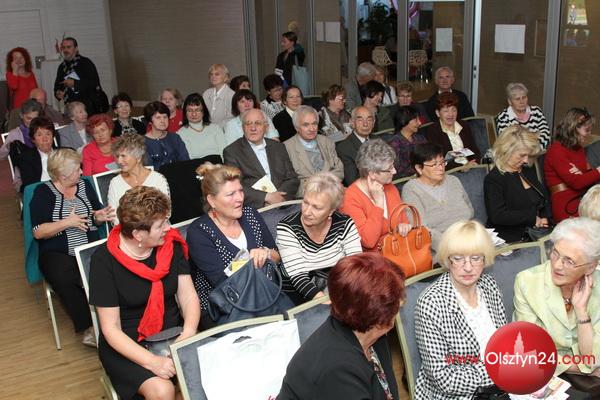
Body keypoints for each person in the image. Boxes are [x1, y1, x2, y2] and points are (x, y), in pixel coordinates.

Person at [89, 186, 199, 400]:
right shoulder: (104, 261)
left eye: (166, 220)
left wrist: (188, 333)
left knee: (214, 371)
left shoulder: (170, 245)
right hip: (128, 343)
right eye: (160, 225)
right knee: (162, 390)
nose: (168, 228)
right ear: (138, 234)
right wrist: (152, 362)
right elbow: (111, 329)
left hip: (173, 333)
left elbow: (188, 296)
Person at [278, 252, 404, 400]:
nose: (402, 301)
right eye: (397, 299)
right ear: (377, 316)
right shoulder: (338, 369)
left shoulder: (372, 336)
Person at [30, 148, 114, 347]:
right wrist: (67, 222)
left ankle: (115, 321)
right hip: (57, 251)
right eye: (77, 169)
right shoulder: (43, 193)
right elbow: (38, 232)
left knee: (109, 269)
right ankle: (89, 328)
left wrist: (99, 217)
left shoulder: (84, 185)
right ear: (62, 175)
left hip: (89, 246)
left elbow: (95, 215)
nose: (82, 172)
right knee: (65, 277)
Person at [414, 220, 506, 399]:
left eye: (476, 258)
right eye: (458, 258)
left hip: (498, 386)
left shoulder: (489, 286)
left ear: (485, 258)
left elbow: (504, 343)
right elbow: (443, 379)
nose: (468, 267)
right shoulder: (431, 303)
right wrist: (496, 370)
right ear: (448, 259)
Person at [514, 218, 600, 392]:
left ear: (590, 267)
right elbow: (529, 353)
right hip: (544, 374)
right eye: (555, 253)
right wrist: (581, 368)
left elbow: (593, 356)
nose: (557, 265)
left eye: (569, 261)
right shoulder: (527, 282)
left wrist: (581, 311)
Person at [186, 162, 281, 320]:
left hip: (268, 296)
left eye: (240, 191)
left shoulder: (250, 214)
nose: (239, 199)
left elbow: (277, 256)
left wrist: (266, 253)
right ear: (212, 201)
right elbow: (223, 283)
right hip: (225, 309)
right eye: (230, 194)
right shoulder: (199, 232)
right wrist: (250, 261)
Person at [277, 173, 362, 302]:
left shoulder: (345, 223)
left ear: (331, 210)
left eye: (317, 207)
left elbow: (356, 265)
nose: (307, 212)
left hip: (337, 289)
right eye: (305, 203)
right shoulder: (287, 227)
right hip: (301, 296)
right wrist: (330, 304)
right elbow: (298, 277)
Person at [339, 139, 411, 251]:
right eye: (389, 169)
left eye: (393, 166)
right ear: (372, 173)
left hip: (401, 250)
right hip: (374, 259)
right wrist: (378, 205)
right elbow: (368, 241)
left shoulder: (390, 187)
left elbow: (403, 220)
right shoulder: (350, 198)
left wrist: (404, 226)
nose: (394, 171)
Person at [484, 125, 550, 243]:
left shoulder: (527, 170)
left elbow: (542, 200)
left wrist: (544, 219)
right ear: (507, 150)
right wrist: (532, 218)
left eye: (528, 155)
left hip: (535, 233)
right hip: (511, 239)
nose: (526, 160)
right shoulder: (494, 179)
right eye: (522, 155)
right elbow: (498, 216)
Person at [402, 143, 474, 251]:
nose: (441, 168)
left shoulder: (453, 181)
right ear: (419, 168)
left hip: (469, 239)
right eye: (434, 165)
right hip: (441, 249)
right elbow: (422, 229)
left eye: (442, 163)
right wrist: (453, 247)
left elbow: (470, 212)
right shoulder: (411, 189)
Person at [223, 108, 299, 208]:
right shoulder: (232, 152)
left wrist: (278, 198)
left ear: (266, 127)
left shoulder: (278, 147)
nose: (253, 128)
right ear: (243, 128)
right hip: (256, 209)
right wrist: (266, 197)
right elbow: (234, 185)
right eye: (248, 123)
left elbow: (292, 178)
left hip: (284, 203)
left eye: (258, 123)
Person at [544, 108, 600, 222]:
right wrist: (597, 171)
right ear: (574, 128)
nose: (589, 134)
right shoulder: (556, 150)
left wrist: (583, 176)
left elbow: (583, 177)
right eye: (587, 130)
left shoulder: (578, 148)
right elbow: (578, 182)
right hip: (566, 206)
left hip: (581, 200)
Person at [107, 133, 170, 224]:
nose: (119, 161)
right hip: (126, 231)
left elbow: (166, 212)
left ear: (138, 158)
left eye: (123, 156)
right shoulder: (115, 182)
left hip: (156, 229)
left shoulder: (158, 179)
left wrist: (145, 229)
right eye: (117, 156)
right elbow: (114, 218)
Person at [284, 106, 344, 197]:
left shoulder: (327, 142)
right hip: (304, 196)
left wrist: (325, 186)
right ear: (297, 127)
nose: (312, 129)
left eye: (314, 124)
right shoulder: (286, 147)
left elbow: (339, 170)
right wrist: (316, 188)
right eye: (306, 125)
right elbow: (290, 182)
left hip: (330, 193)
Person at [425, 92, 480, 170]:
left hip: (471, 166)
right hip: (449, 171)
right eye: (446, 111)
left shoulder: (464, 125)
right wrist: (461, 167)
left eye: (454, 110)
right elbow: (437, 160)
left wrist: (473, 163)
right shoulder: (433, 130)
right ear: (438, 113)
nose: (451, 114)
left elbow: (475, 150)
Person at [53, 37, 104, 115]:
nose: (65, 50)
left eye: (68, 47)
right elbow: (57, 85)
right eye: (63, 47)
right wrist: (58, 92)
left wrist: (75, 83)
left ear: (76, 48)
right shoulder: (62, 67)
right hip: (70, 107)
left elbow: (94, 83)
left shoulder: (86, 63)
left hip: (88, 106)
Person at [495, 82, 551, 150]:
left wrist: (530, 148)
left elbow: (546, 135)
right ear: (509, 101)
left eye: (524, 97)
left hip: (537, 152)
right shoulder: (503, 117)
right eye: (517, 99)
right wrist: (534, 136)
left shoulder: (536, 111)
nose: (522, 102)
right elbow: (507, 141)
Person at [14, 116, 58, 193]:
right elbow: (30, 185)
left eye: (48, 134)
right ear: (33, 139)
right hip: (40, 193)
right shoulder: (26, 158)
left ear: (53, 136)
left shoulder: (64, 153)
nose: (45, 139)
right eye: (39, 135)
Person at [176, 93, 225, 159]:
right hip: (195, 165)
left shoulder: (215, 128)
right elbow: (187, 160)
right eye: (190, 110)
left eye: (197, 110)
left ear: (203, 111)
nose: (194, 114)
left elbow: (225, 154)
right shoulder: (180, 134)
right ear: (185, 113)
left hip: (218, 164)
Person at [143, 101, 189, 170]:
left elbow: (185, 161)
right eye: (158, 117)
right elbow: (147, 169)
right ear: (150, 121)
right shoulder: (143, 142)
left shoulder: (175, 137)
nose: (163, 121)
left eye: (165, 117)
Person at [336, 106, 376, 186]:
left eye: (369, 120)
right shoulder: (343, 148)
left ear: (373, 123)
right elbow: (352, 181)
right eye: (360, 120)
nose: (365, 124)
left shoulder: (379, 141)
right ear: (352, 123)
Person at [387, 105, 426, 178]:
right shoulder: (394, 143)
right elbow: (397, 169)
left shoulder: (420, 138)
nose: (420, 123)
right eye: (416, 120)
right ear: (404, 121)